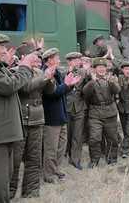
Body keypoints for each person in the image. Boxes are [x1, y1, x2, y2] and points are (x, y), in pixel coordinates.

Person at [0, 32, 37, 202]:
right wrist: (25, 66)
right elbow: (10, 86)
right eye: (2, 47)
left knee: (2, 180)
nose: (5, 50)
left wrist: (10, 66)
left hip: (2, 134)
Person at [10, 41, 56, 198]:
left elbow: (50, 91)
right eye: (34, 57)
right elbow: (25, 88)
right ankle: (9, 193)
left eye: (38, 57)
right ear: (23, 57)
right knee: (15, 160)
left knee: (34, 158)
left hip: (37, 120)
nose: (38, 60)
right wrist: (45, 78)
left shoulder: (39, 72)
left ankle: (31, 192)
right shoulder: (15, 71)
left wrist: (50, 78)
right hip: (21, 121)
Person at [42, 48, 80, 183]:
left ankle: (56, 169)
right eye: (56, 57)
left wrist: (68, 85)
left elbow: (61, 90)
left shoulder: (56, 72)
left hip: (61, 115)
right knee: (51, 149)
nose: (59, 59)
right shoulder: (46, 73)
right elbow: (52, 93)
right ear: (49, 60)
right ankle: (49, 175)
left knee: (60, 146)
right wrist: (67, 85)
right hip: (52, 117)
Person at [82, 57, 120, 168]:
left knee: (112, 138)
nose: (101, 69)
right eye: (99, 67)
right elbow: (85, 93)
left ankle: (112, 159)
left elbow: (117, 90)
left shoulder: (111, 78)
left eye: (103, 67)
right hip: (95, 113)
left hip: (110, 113)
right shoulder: (90, 80)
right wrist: (92, 81)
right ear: (94, 69)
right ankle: (94, 160)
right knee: (94, 138)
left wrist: (110, 81)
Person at [65, 52, 91, 170]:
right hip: (66, 107)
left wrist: (87, 72)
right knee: (67, 135)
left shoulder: (84, 72)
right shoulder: (63, 72)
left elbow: (89, 85)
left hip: (80, 107)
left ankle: (75, 160)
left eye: (78, 60)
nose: (78, 62)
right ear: (69, 61)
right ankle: (66, 155)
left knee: (77, 135)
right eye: (75, 60)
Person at [117, 61, 129, 158]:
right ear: (122, 70)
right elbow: (117, 90)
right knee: (125, 130)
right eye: (126, 69)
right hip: (121, 107)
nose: (128, 71)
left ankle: (124, 151)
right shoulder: (119, 78)